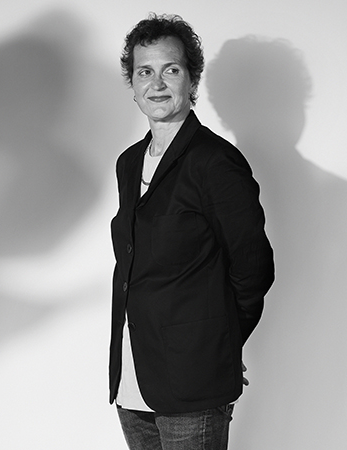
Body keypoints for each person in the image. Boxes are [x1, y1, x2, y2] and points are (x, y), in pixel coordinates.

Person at [109, 14, 275, 449]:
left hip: (193, 382)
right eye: (145, 72)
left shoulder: (215, 162)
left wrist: (217, 347)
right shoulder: (129, 163)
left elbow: (254, 266)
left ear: (192, 79)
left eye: (171, 69)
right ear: (133, 84)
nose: (157, 83)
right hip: (133, 377)